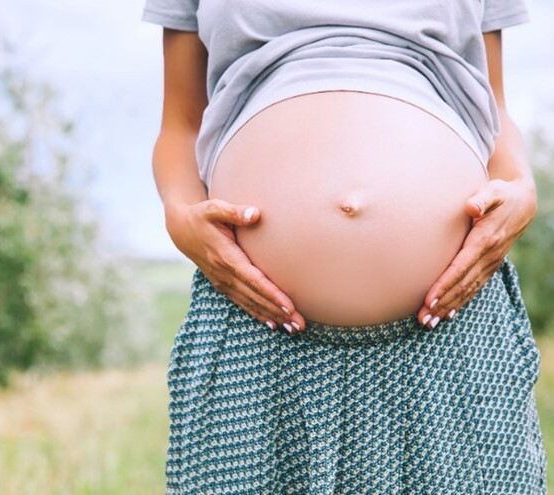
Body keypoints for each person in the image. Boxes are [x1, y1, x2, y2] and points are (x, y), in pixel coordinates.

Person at [141, 0, 547, 493]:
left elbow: (492, 110)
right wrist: (180, 216)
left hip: (449, 326)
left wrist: (522, 187)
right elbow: (180, 124)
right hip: (256, 324)